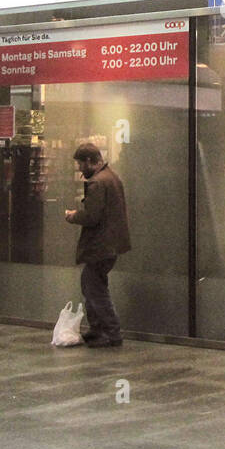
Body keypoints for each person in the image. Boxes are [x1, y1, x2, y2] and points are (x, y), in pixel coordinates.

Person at [63, 142, 132, 347]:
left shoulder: (97, 183)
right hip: (112, 243)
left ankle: (111, 332)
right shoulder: (112, 177)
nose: (79, 169)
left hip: (100, 244)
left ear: (89, 161)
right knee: (91, 283)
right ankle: (97, 329)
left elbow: (92, 216)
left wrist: (73, 215)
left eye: (80, 164)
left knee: (94, 288)